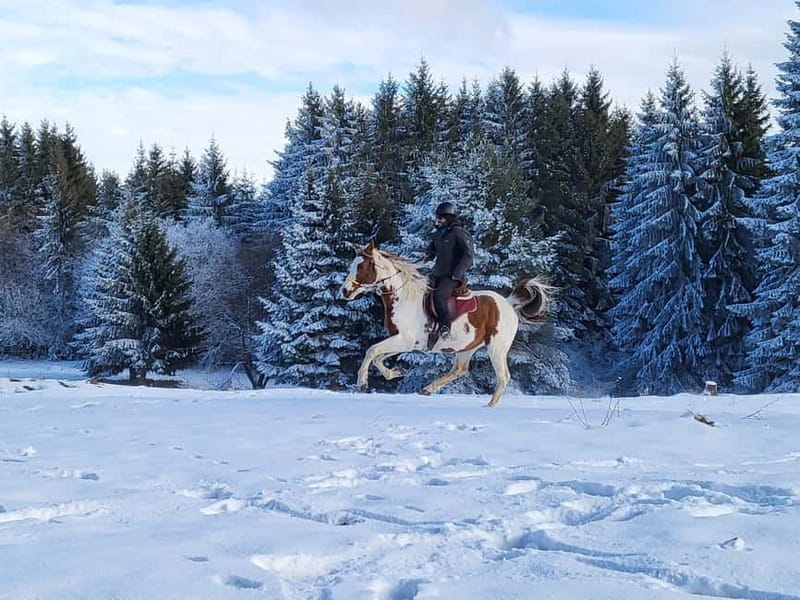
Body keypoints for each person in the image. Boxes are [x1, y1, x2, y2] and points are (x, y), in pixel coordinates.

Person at [420, 201, 474, 346]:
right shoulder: (439, 233)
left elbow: (468, 255)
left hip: (452, 276)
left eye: (441, 218)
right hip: (437, 272)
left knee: (439, 296)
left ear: (449, 218)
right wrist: (426, 255)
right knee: (420, 290)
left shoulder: (458, 233)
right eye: (437, 218)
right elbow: (432, 250)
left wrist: (457, 273)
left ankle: (445, 327)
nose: (438, 221)